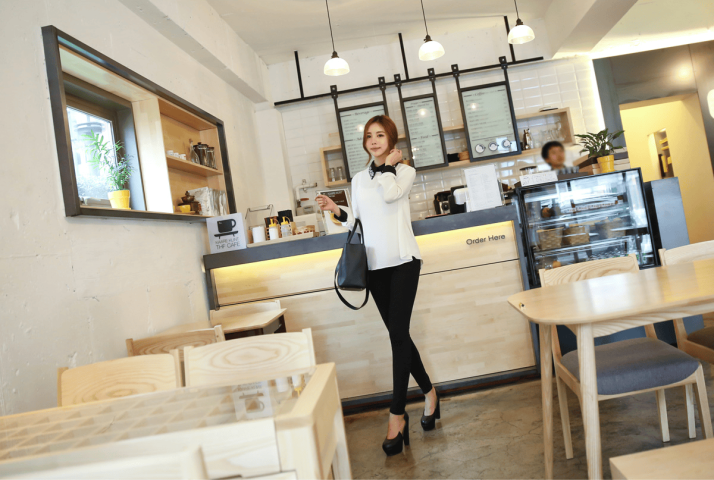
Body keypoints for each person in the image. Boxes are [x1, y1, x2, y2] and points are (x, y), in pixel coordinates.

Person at [315, 115, 439, 456]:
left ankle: (397, 415)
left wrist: (388, 167)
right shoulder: (358, 179)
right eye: (369, 135)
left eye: (380, 135)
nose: (373, 140)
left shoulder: (404, 172)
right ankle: (430, 394)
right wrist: (336, 210)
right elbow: (357, 221)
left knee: (398, 336)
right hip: (374, 267)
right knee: (400, 337)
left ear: (391, 139)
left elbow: (390, 196)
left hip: (403, 262)